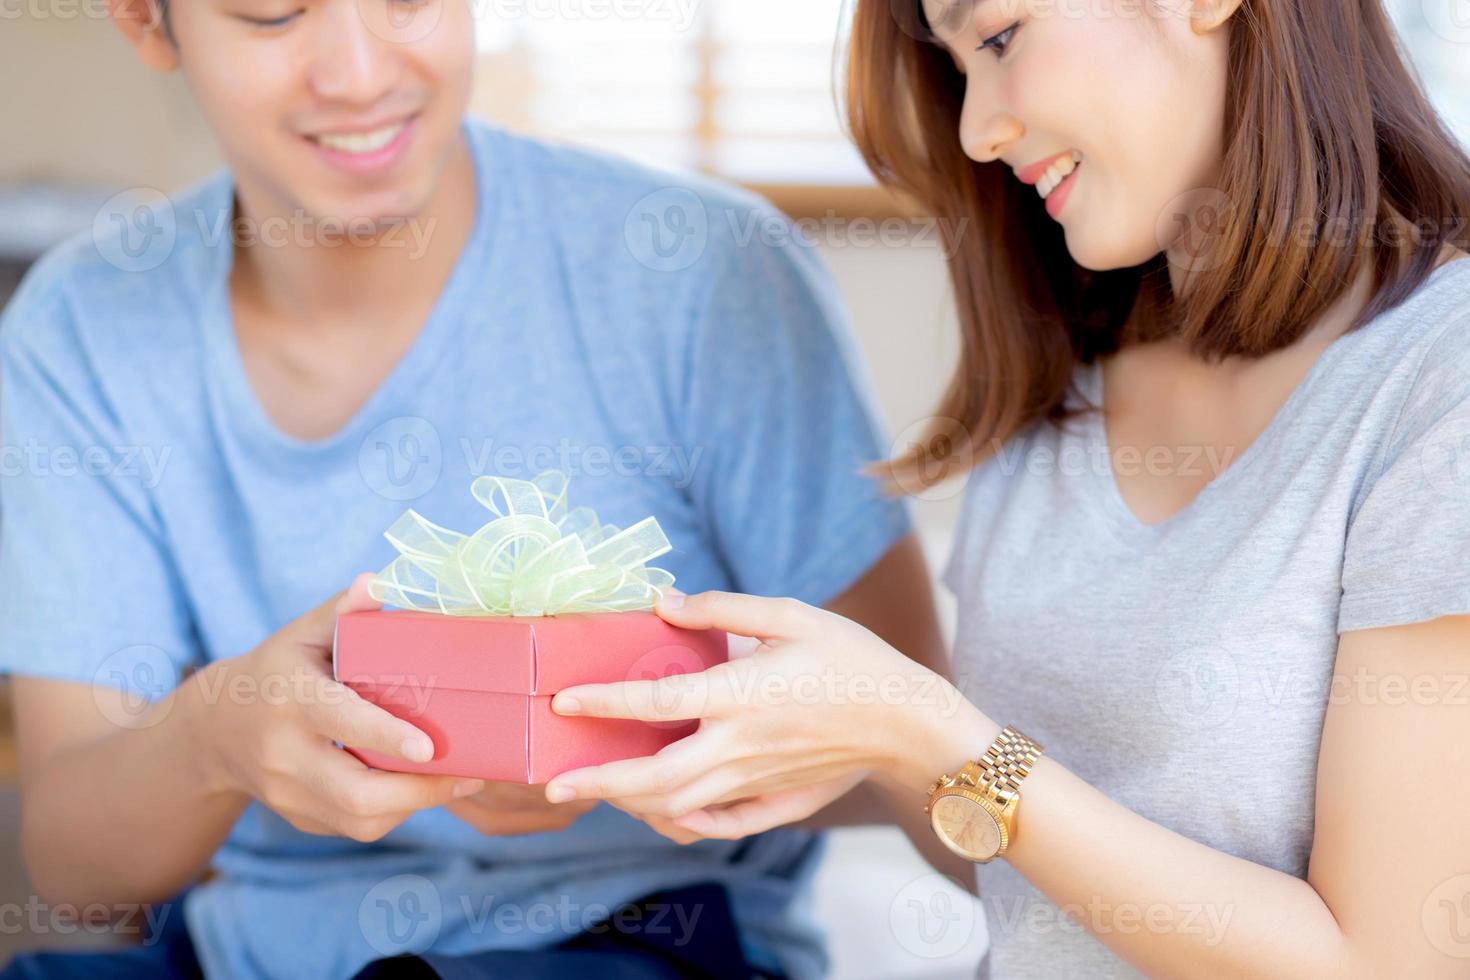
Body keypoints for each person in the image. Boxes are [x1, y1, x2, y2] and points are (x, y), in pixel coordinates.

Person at [0, 0, 954, 976]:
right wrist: (214, 736)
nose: (361, 72)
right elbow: (81, 870)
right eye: (275, 13)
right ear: (145, 23)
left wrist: (631, 731)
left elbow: (918, 746)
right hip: (253, 951)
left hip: (637, 936)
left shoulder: (706, 274)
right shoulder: (82, 328)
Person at [541, 1, 1470, 977]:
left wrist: (931, 733)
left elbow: (1386, 959)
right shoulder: (1069, 379)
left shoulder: (1438, 386)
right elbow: (1019, 868)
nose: (977, 131)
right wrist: (797, 726)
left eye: (997, 38)